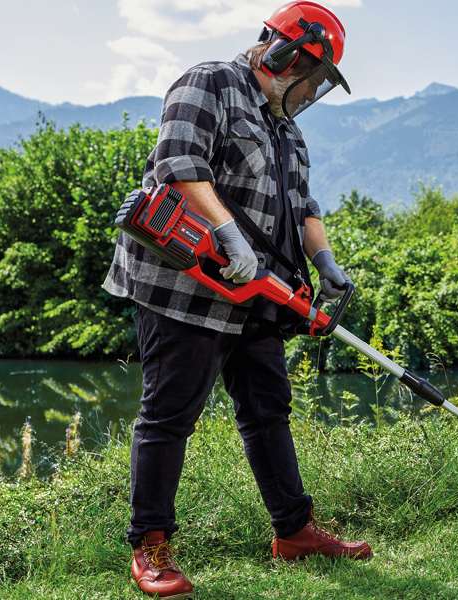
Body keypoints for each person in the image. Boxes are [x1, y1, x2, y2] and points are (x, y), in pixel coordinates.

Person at [102, 2, 371, 598]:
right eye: (314, 77)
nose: (313, 91)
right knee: (169, 414)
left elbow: (303, 205)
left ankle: (294, 531)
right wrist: (226, 232)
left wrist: (324, 261)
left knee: (268, 408)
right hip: (186, 288)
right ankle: (150, 547)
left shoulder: (287, 128)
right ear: (286, 55)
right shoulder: (209, 84)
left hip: (257, 293)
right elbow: (179, 164)